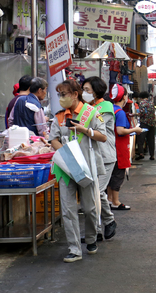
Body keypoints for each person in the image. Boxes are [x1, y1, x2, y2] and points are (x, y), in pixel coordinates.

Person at [50, 79, 107, 263]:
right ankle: (74, 249)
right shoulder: (59, 116)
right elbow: (53, 139)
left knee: (90, 208)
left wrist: (85, 129)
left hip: (87, 168)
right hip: (66, 169)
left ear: (75, 94)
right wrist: (65, 155)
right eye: (59, 95)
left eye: (64, 94)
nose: (61, 98)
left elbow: (103, 136)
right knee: (68, 210)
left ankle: (91, 239)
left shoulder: (91, 113)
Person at [82, 76, 117, 240]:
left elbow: (91, 125)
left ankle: (105, 223)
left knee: (98, 191)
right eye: (83, 90)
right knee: (94, 193)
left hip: (105, 155)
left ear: (96, 91)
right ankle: (97, 229)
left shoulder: (106, 106)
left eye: (87, 90)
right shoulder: (87, 107)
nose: (84, 93)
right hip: (90, 155)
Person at [109, 84, 142, 210]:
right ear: (123, 97)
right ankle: (116, 202)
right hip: (120, 148)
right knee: (118, 175)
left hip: (111, 147)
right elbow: (120, 131)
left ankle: (109, 200)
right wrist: (135, 129)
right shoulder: (120, 112)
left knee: (111, 175)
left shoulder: (110, 109)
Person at [136, 91, 156, 161]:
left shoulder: (142, 103)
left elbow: (141, 112)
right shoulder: (151, 103)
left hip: (144, 123)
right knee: (151, 140)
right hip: (152, 123)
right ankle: (152, 155)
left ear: (141, 97)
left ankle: (141, 153)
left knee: (140, 138)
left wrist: (134, 114)